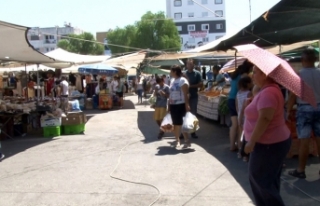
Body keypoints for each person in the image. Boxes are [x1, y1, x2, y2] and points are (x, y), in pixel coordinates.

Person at [244, 66, 291, 206]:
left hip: (269, 144)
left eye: (255, 72)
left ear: (264, 74)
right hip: (272, 143)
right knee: (268, 181)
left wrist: (251, 142)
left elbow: (265, 118)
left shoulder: (269, 92)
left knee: (261, 180)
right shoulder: (267, 90)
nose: (252, 75)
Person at [287, 48, 320, 179]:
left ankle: (301, 169)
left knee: (304, 140)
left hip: (304, 109)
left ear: (302, 60)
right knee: (319, 139)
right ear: (316, 60)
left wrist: (289, 109)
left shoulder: (298, 75)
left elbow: (292, 96)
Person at [227, 60, 253, 151]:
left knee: (234, 125)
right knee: (239, 125)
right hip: (237, 100)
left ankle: (232, 145)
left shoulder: (235, 75)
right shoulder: (245, 76)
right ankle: (239, 145)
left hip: (230, 98)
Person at [168, 65, 191, 148]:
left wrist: (187, 105)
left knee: (182, 123)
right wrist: (169, 106)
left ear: (174, 72)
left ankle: (187, 140)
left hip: (181, 104)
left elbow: (186, 94)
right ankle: (177, 140)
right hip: (173, 105)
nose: (170, 73)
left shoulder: (182, 80)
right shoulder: (172, 80)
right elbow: (170, 94)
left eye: (171, 71)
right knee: (175, 124)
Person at [184, 59, 202, 139]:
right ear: (186, 65)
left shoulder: (197, 74)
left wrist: (190, 86)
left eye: (191, 64)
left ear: (193, 65)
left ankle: (193, 132)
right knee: (184, 114)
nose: (190, 65)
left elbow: (200, 84)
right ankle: (183, 132)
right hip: (184, 97)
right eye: (188, 64)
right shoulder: (184, 74)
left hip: (194, 96)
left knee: (193, 114)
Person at [235, 76, 252, 158]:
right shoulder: (249, 93)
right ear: (248, 84)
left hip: (239, 116)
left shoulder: (238, 93)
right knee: (246, 135)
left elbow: (237, 105)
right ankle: (245, 154)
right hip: (246, 116)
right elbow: (246, 106)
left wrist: (239, 114)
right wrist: (241, 114)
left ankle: (239, 150)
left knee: (240, 134)